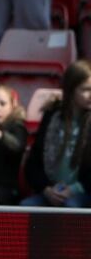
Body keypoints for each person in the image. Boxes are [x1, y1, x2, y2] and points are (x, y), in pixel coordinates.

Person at [23, 60, 91, 207]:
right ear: (70, 89)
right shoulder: (52, 116)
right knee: (26, 206)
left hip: (83, 192)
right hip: (51, 190)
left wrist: (73, 189)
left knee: (71, 206)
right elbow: (33, 164)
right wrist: (46, 189)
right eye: (86, 89)